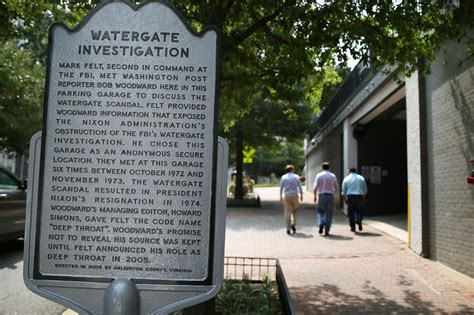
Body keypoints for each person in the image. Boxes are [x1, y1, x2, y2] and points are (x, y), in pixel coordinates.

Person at [313, 162, 339, 236]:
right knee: (329, 213)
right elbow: (336, 187)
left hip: (321, 195)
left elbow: (315, 187)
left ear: (322, 167)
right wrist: (333, 192)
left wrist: (314, 196)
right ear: (329, 167)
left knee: (320, 211)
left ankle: (321, 222)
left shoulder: (319, 175)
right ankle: (327, 230)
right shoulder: (333, 175)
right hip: (330, 195)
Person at [341, 167, 368, 232]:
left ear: (349, 171)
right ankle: (359, 220)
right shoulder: (361, 178)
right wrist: (363, 197)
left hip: (350, 197)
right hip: (359, 197)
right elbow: (365, 190)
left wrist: (344, 198)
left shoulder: (346, 179)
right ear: (355, 171)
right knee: (360, 211)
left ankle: (353, 227)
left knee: (351, 213)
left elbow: (344, 190)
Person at [279, 164, 303, 235]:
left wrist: (280, 195)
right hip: (295, 195)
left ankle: (288, 228)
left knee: (287, 212)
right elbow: (299, 186)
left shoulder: (283, 177)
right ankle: (293, 223)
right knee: (295, 210)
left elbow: (281, 187)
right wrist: (301, 194)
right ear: (292, 169)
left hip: (287, 195)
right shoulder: (296, 176)